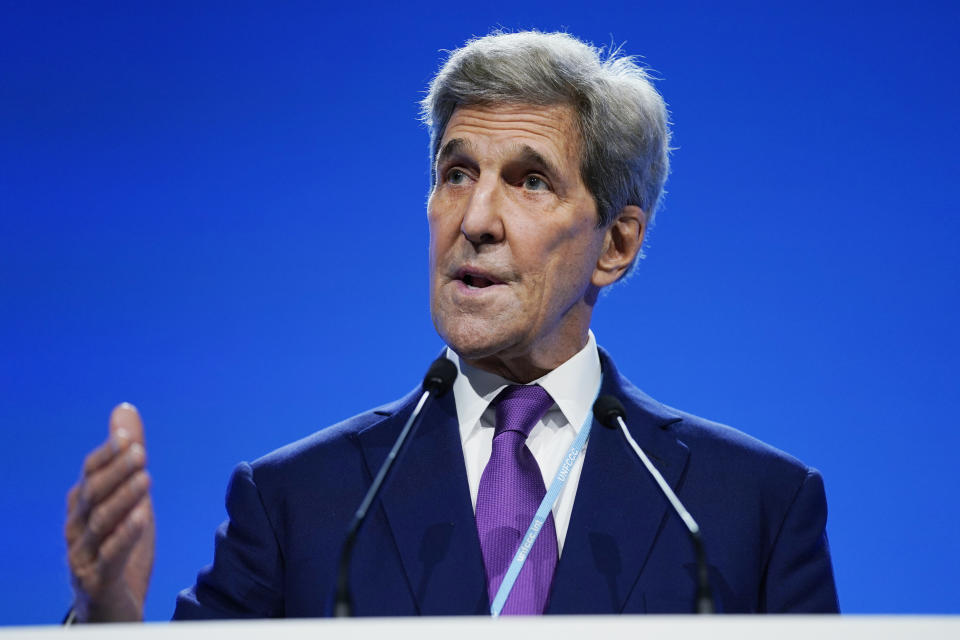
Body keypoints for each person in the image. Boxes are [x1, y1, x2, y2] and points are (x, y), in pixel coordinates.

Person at [64, 30, 839, 621]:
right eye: (456, 173)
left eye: (530, 181)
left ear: (617, 244)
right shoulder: (299, 504)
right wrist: (108, 621)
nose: (474, 219)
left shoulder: (749, 510)